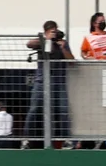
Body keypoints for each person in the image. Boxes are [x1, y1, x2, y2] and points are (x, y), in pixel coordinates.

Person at [23, 20, 74, 150]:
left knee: (62, 110)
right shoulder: (41, 41)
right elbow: (28, 44)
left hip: (59, 81)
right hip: (41, 81)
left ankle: (66, 140)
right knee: (35, 109)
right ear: (46, 32)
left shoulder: (62, 43)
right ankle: (27, 139)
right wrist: (46, 39)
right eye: (52, 31)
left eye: (56, 31)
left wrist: (62, 47)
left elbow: (71, 60)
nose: (55, 33)